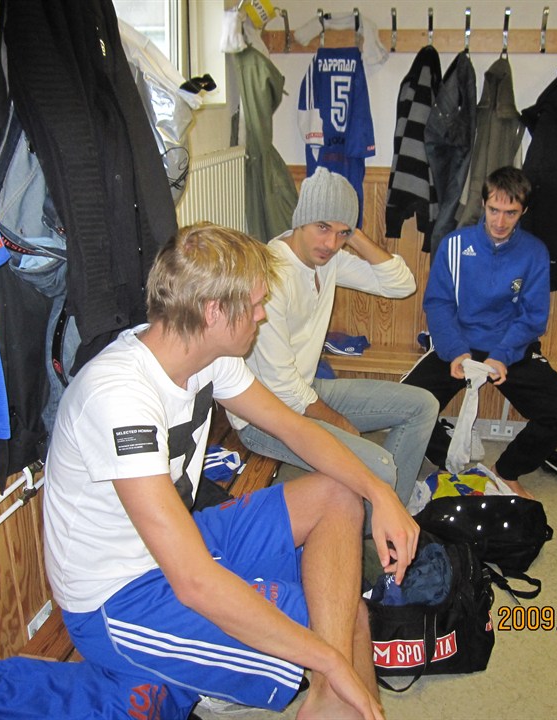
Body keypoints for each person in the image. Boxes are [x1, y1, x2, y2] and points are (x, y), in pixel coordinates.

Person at [42, 223, 420, 720]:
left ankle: (325, 697)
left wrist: (380, 493)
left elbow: (295, 428)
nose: (262, 315)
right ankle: (320, 690)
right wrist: (328, 660)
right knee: (342, 622)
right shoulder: (118, 398)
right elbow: (194, 582)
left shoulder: (203, 353)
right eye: (256, 304)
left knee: (337, 496)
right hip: (119, 600)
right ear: (214, 311)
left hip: (177, 543)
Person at [229, 167, 438, 510]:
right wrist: (339, 423)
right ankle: (383, 520)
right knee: (380, 465)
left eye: (342, 233)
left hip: (306, 388)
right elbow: (282, 387)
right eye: (322, 227)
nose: (330, 244)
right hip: (264, 415)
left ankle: (387, 516)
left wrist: (353, 234)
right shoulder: (271, 275)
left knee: (423, 406)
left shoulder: (328, 260)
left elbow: (401, 284)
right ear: (301, 220)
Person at [401, 166, 557, 499]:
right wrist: (456, 351)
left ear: (523, 211)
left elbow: (532, 317)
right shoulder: (454, 244)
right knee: (404, 403)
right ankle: (455, 468)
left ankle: (506, 472)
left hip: (508, 347)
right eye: (494, 210)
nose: (500, 221)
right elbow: (439, 304)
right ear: (483, 204)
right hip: (458, 345)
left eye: (510, 213)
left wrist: (502, 356)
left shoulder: (534, 252)